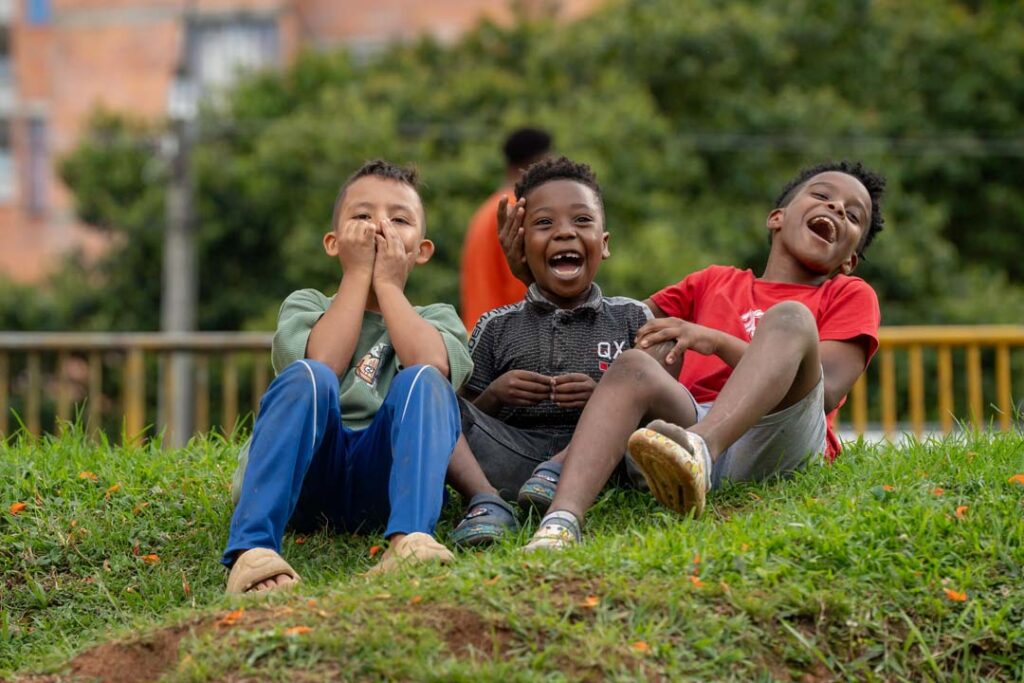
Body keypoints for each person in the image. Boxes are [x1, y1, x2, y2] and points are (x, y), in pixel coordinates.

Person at [514, 161, 886, 550]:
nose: (837, 208)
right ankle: (560, 523)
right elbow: (607, 325)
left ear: (849, 260)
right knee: (639, 358)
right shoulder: (713, 282)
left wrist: (716, 341)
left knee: (791, 317)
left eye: (853, 215)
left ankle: (699, 452)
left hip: (779, 437)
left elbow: (827, 388)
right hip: (683, 425)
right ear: (777, 218)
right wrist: (537, 279)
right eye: (822, 195)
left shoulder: (848, 293)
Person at [222, 160, 473, 592]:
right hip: (307, 479)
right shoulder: (305, 306)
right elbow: (325, 360)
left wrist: (389, 287)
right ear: (333, 242)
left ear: (422, 250)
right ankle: (253, 550)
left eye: (399, 220)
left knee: (424, 379)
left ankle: (410, 540)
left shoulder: (438, 318)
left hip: (386, 483)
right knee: (310, 375)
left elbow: (430, 364)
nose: (379, 226)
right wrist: (359, 275)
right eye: (362, 216)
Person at [444, 156, 651, 547]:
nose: (565, 233)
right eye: (544, 223)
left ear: (604, 243)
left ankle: (562, 477)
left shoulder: (631, 317)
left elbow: (654, 405)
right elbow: (463, 420)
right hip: (514, 461)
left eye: (582, 220)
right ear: (520, 246)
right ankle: (485, 502)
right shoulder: (496, 325)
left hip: (604, 465)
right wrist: (496, 395)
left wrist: (603, 398)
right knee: (435, 396)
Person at [460, 127, 553, 331]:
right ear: (540, 161)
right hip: (510, 335)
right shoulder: (518, 209)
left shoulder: (487, 210)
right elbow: (521, 284)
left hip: (478, 330)